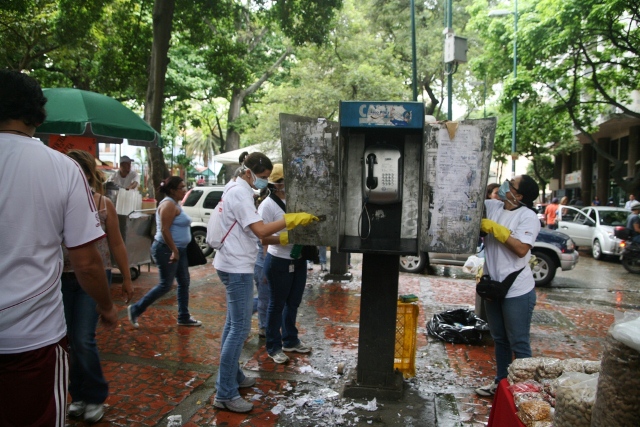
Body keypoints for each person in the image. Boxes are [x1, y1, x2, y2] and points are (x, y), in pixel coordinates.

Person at [0, 69, 117, 426]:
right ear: (38, 113)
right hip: (31, 337)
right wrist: (106, 305)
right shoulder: (61, 168)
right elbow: (86, 262)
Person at [212, 153, 318, 413]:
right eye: (262, 178)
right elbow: (260, 230)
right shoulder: (240, 193)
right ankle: (224, 393)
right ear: (248, 172)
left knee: (232, 325)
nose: (265, 183)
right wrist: (291, 220)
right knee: (238, 329)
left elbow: (250, 230)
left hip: (231, 263)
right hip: (235, 267)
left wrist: (283, 237)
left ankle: (233, 376)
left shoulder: (236, 188)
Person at [62, 149, 135, 422]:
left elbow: (116, 243)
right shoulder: (57, 202)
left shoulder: (103, 204)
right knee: (69, 341)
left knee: (83, 338)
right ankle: (77, 395)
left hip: (94, 279)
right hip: (62, 277)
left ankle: (94, 395)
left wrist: (126, 278)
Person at [475, 175, 541, 397]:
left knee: (518, 342)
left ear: (518, 195)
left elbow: (522, 249)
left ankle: (525, 392)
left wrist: (496, 229)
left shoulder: (528, 216)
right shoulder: (493, 206)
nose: (505, 184)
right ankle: (501, 384)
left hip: (517, 290)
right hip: (494, 286)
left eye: (511, 183)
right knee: (500, 339)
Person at [127, 176, 202, 328]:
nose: (184, 190)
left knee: (184, 282)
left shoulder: (175, 204)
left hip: (179, 250)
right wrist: (174, 250)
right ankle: (135, 309)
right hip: (166, 249)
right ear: (173, 190)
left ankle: (184, 316)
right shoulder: (168, 205)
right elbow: (164, 229)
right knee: (165, 285)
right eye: (181, 187)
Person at [259, 164, 312, 365]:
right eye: (286, 181)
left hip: (298, 259)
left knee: (293, 302)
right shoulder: (267, 206)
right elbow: (263, 238)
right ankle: (273, 346)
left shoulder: (294, 200)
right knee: (276, 304)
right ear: (277, 184)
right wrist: (284, 239)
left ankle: (290, 339)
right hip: (278, 261)